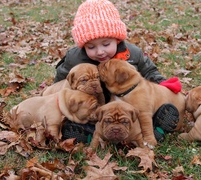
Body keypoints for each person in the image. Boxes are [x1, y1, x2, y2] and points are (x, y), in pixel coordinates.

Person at [55, 0, 182, 144]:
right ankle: (86, 132)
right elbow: (61, 80)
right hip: (94, 103)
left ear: (117, 38)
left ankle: (156, 128)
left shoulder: (133, 54)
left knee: (141, 112)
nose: (100, 52)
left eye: (106, 44)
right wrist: (57, 98)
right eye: (91, 47)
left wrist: (162, 83)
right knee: (85, 114)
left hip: (126, 106)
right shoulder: (75, 58)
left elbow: (149, 70)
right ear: (83, 46)